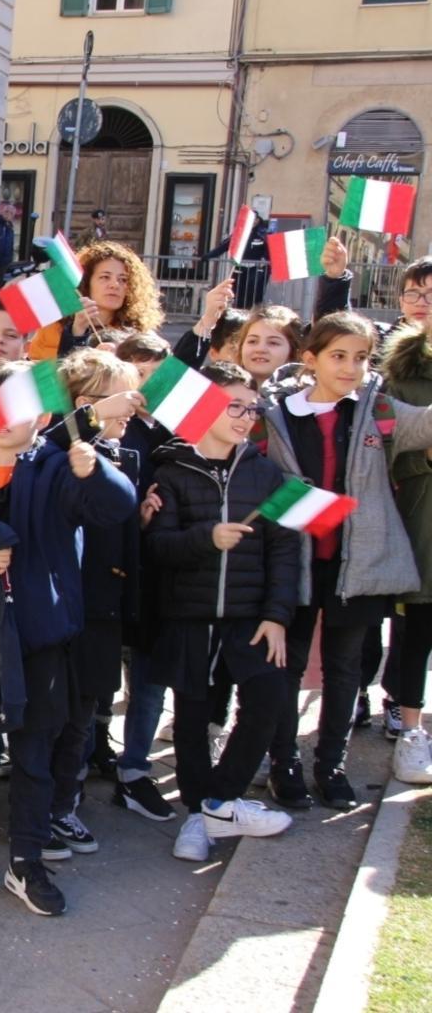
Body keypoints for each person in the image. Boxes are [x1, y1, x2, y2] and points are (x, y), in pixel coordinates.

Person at [0, 361, 135, 916]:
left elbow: (115, 507)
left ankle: (27, 859)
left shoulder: (60, 466)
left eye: (21, 406)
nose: (7, 418)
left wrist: (95, 471)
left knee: (35, 752)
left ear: (42, 415)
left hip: (39, 636)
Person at [258, 312, 432, 810]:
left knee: (345, 670)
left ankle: (331, 765)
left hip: (357, 566)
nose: (351, 367)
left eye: (360, 357)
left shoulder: (377, 410)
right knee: (284, 668)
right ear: (309, 360)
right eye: (338, 356)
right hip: (293, 562)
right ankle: (283, 763)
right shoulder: (275, 416)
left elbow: (424, 424)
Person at [145, 361, 300, 859]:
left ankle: (221, 800)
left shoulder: (266, 472)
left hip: (250, 618)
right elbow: (158, 548)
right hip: (191, 619)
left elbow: (283, 551)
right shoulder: (170, 473)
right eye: (234, 405)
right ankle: (197, 812)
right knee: (192, 717)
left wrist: (277, 615)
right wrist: (205, 539)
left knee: (268, 699)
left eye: (251, 408)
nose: (244, 416)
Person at [41, 350, 146, 860]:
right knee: (50, 717)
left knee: (83, 714)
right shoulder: (53, 454)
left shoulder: (127, 456)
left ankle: (66, 804)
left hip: (102, 608)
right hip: (59, 606)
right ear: (86, 404)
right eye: (121, 397)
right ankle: (42, 808)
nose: (133, 408)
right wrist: (85, 425)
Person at [375, 260, 432, 785]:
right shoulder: (399, 370)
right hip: (420, 507)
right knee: (417, 618)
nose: (423, 302)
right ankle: (409, 722)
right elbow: (384, 442)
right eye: (415, 292)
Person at [28, 242, 164, 361]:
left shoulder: (138, 334)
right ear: (86, 283)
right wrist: (76, 332)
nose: (115, 285)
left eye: (123, 279)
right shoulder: (53, 327)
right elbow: (39, 373)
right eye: (105, 277)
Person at [206, 212, 270, 309]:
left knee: (254, 294)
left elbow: (270, 251)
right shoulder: (239, 233)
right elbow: (224, 246)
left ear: (257, 220)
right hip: (240, 268)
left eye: (253, 219)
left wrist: (268, 264)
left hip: (256, 268)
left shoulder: (263, 234)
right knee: (239, 293)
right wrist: (207, 256)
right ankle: (240, 316)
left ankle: (253, 316)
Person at [172, 278, 236, 369]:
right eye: (234, 349)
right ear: (214, 353)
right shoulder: (204, 382)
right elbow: (176, 371)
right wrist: (209, 318)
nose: (261, 349)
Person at [235, 305, 302, 391]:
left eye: (273, 343)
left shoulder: (301, 399)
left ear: (292, 352)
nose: (260, 349)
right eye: (252, 341)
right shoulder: (220, 392)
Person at [0, 207, 16, 286]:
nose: (8, 214)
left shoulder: (10, 228)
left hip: (5, 263)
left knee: (0, 284)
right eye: (6, 211)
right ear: (2, 212)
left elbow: (10, 246)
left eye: (11, 213)